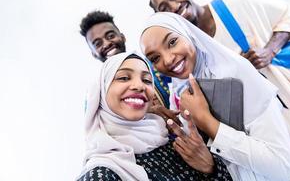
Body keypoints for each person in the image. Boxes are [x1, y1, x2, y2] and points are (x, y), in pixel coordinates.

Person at [140, 12, 290, 180]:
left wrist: (207, 122)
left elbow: (281, 165)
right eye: (155, 58)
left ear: (187, 33)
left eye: (172, 42)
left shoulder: (234, 73)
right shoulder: (179, 91)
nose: (168, 60)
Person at [148, 0, 290, 148]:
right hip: (259, 129)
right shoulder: (186, 50)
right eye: (164, 8)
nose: (174, 6)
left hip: (289, 97)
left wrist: (270, 50)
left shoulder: (236, 3)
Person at [76, 51, 233, 181]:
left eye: (147, 80)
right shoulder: (100, 174)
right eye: (123, 77)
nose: (139, 86)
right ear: (101, 93)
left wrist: (211, 167)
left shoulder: (172, 139)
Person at [79, 10, 178, 122]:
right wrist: (146, 110)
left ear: (122, 37)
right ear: (94, 53)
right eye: (98, 43)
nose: (106, 44)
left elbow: (180, 87)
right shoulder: (97, 93)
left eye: (110, 36)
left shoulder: (154, 64)